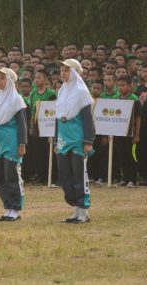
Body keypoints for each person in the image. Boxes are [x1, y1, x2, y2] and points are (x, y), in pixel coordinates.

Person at [55, 59, 94, 223]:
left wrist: (88, 140)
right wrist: (56, 139)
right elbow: (58, 117)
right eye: (61, 70)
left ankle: (83, 212)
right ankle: (75, 210)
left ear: (75, 72)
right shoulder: (61, 91)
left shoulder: (81, 92)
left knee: (79, 175)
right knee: (66, 176)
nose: (63, 73)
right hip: (63, 139)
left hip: (77, 139)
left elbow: (87, 118)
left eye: (66, 70)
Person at [0, 67, 27, 221]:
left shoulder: (16, 99)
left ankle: (16, 209)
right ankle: (7, 207)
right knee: (0, 177)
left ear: (10, 81)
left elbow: (22, 124)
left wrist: (22, 144)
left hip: (11, 141)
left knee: (11, 175)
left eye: (2, 78)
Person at [114, 75, 141, 187]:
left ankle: (133, 179)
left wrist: (137, 134)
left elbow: (138, 118)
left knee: (131, 156)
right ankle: (124, 178)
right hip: (120, 133)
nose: (120, 88)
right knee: (122, 156)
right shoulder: (117, 99)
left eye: (123, 85)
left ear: (130, 86)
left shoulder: (134, 99)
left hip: (131, 133)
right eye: (119, 85)